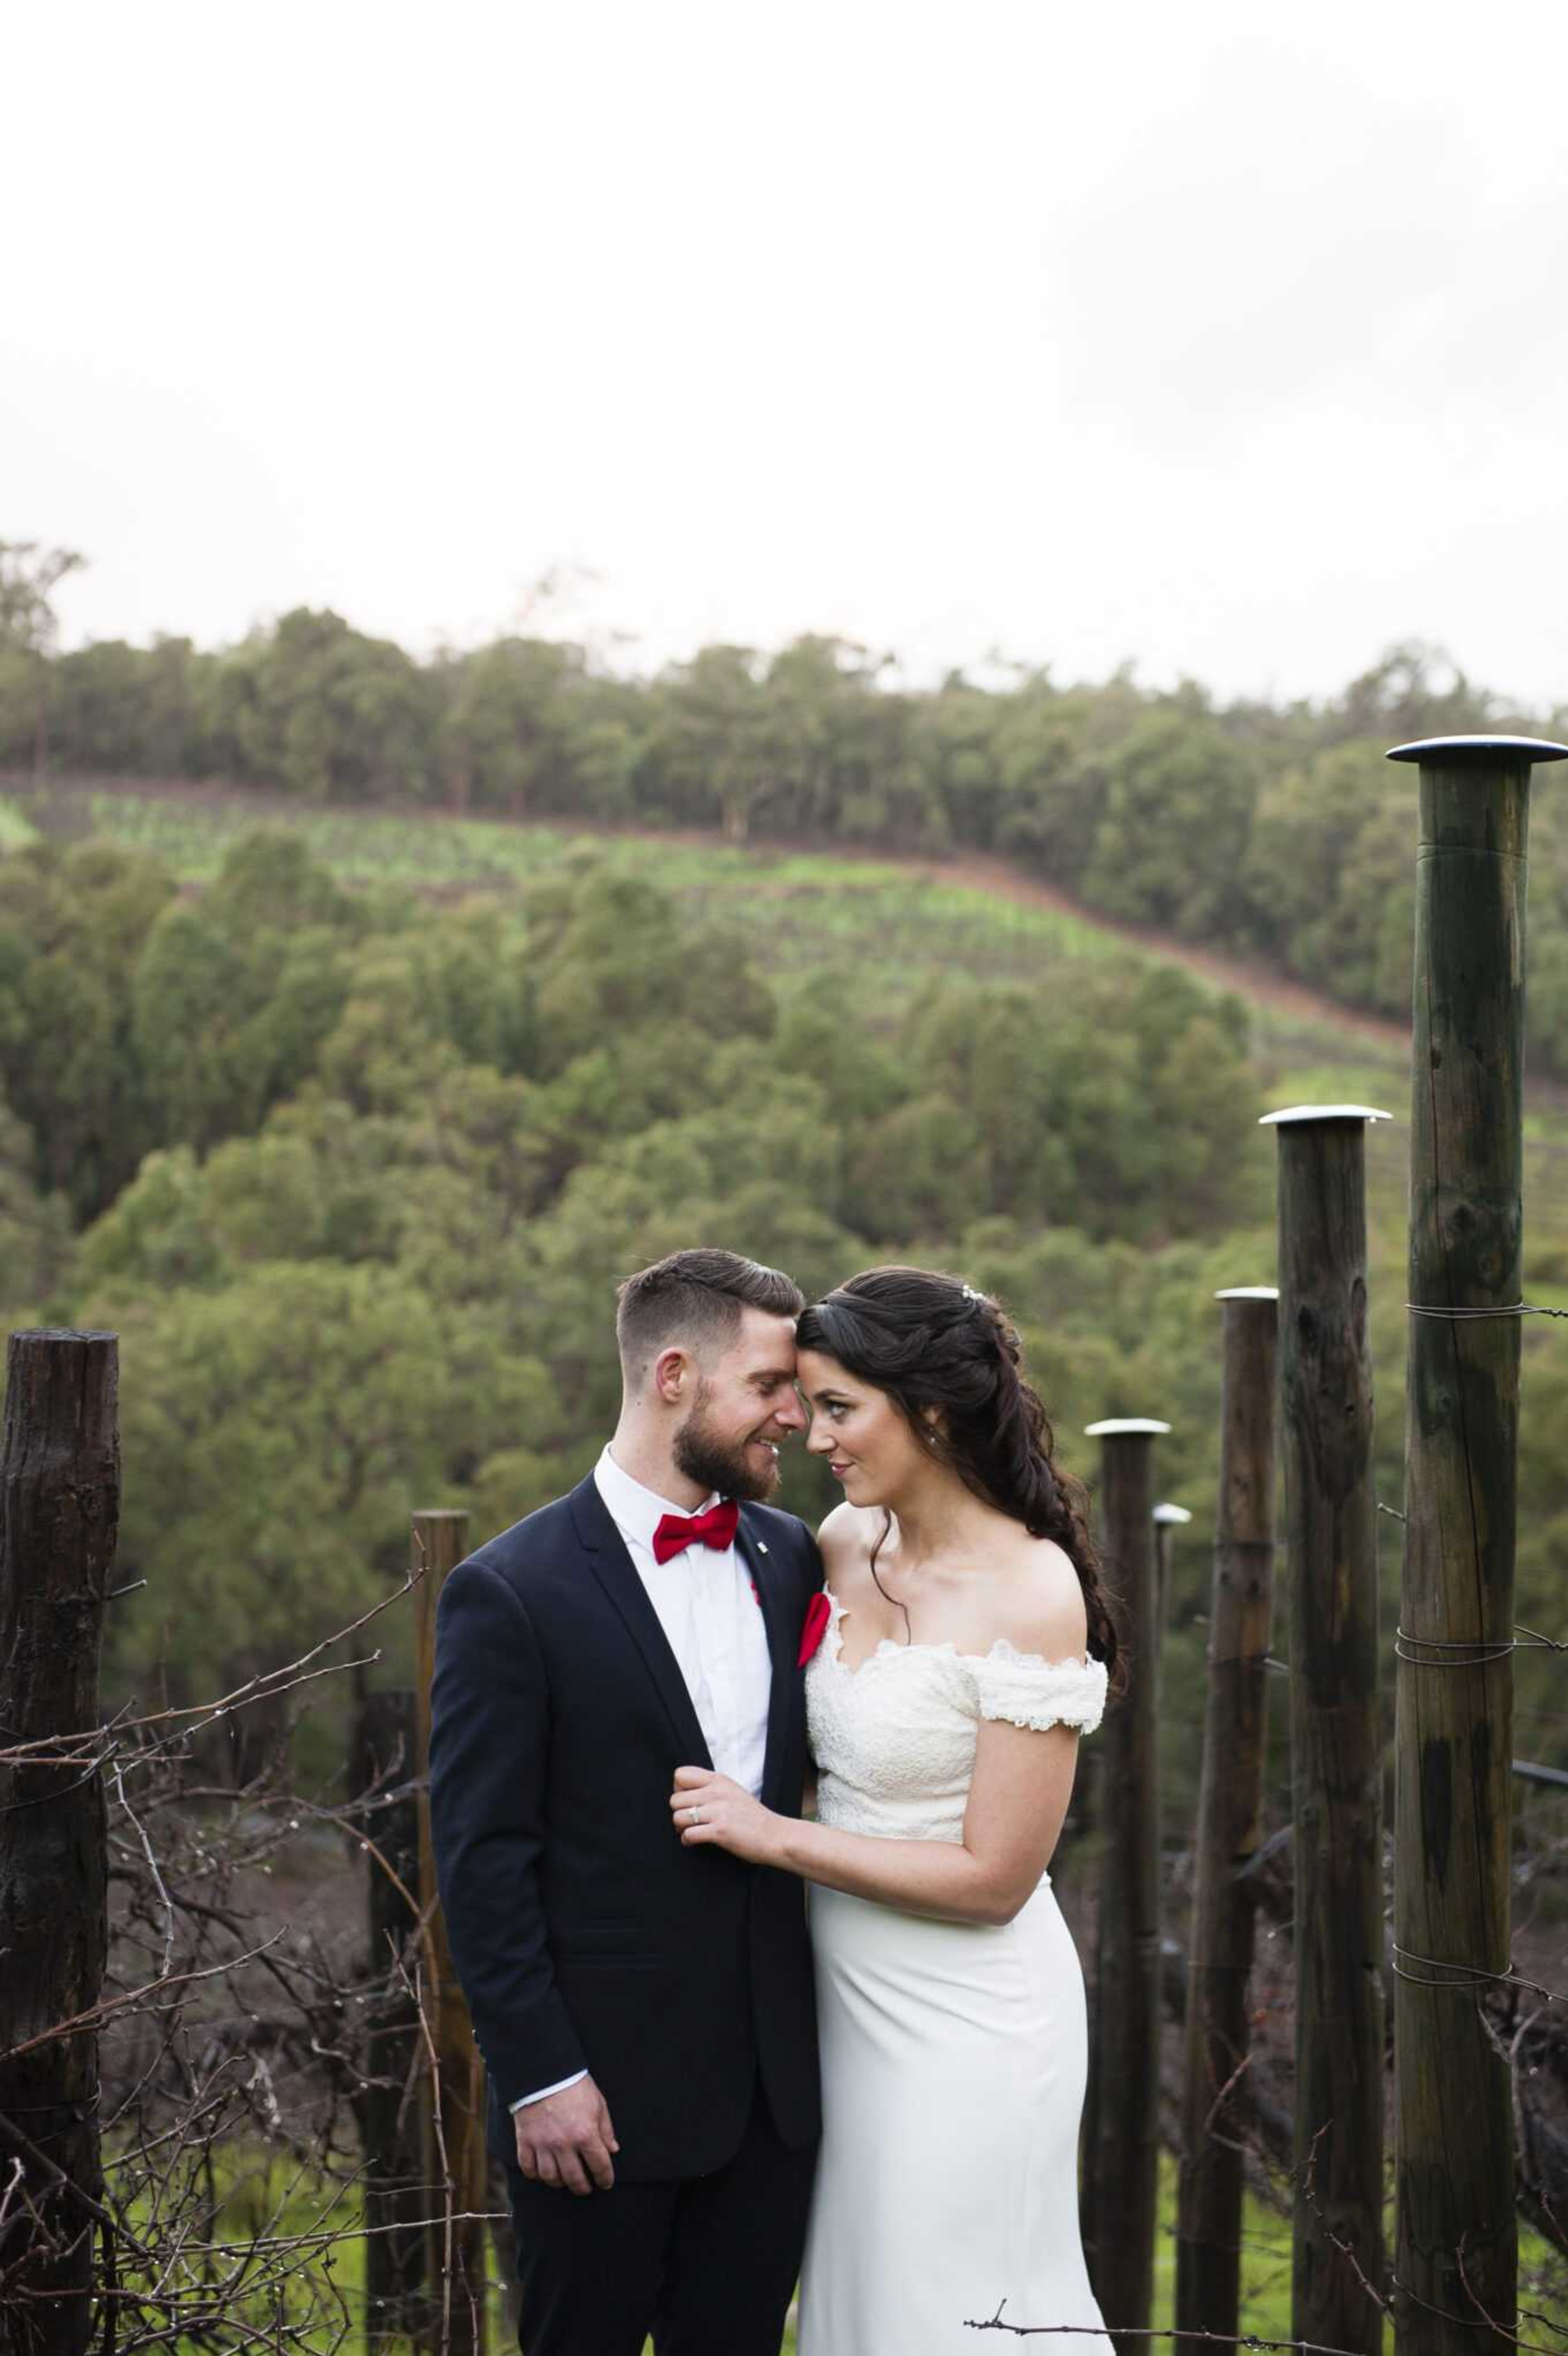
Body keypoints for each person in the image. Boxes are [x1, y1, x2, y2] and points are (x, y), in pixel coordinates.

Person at [668, 1265, 1116, 2354]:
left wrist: (772, 1835)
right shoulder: (836, 1543)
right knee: (858, 2295)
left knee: (945, 2303)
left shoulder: (1032, 1587)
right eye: (808, 1404)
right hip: (838, 2002)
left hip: (972, 2017)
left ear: (927, 1407)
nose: (812, 1432)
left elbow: (997, 1880)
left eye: (837, 1406)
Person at [428, 1247, 826, 2356]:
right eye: (767, 1385)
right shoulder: (509, 1591)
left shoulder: (793, 1555)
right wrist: (541, 2075)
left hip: (772, 2104)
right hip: (593, 2105)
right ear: (673, 1376)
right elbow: (480, 1859)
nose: (791, 1414)